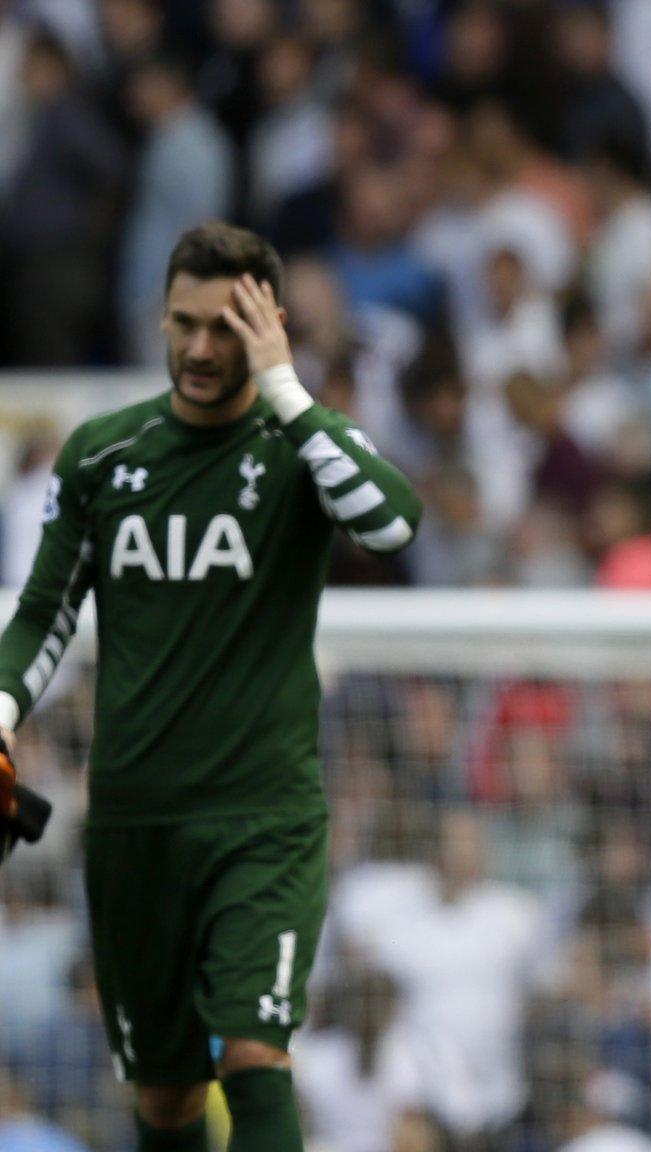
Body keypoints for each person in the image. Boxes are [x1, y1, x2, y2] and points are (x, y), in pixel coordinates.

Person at [0, 221, 421, 1152]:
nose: (198, 347)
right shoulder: (104, 454)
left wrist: (288, 390)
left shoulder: (301, 445)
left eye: (224, 327)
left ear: (265, 324)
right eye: (183, 323)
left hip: (262, 818)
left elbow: (392, 524)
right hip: (133, 822)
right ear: (161, 317)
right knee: (167, 1102)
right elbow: (44, 614)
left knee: (256, 1052)